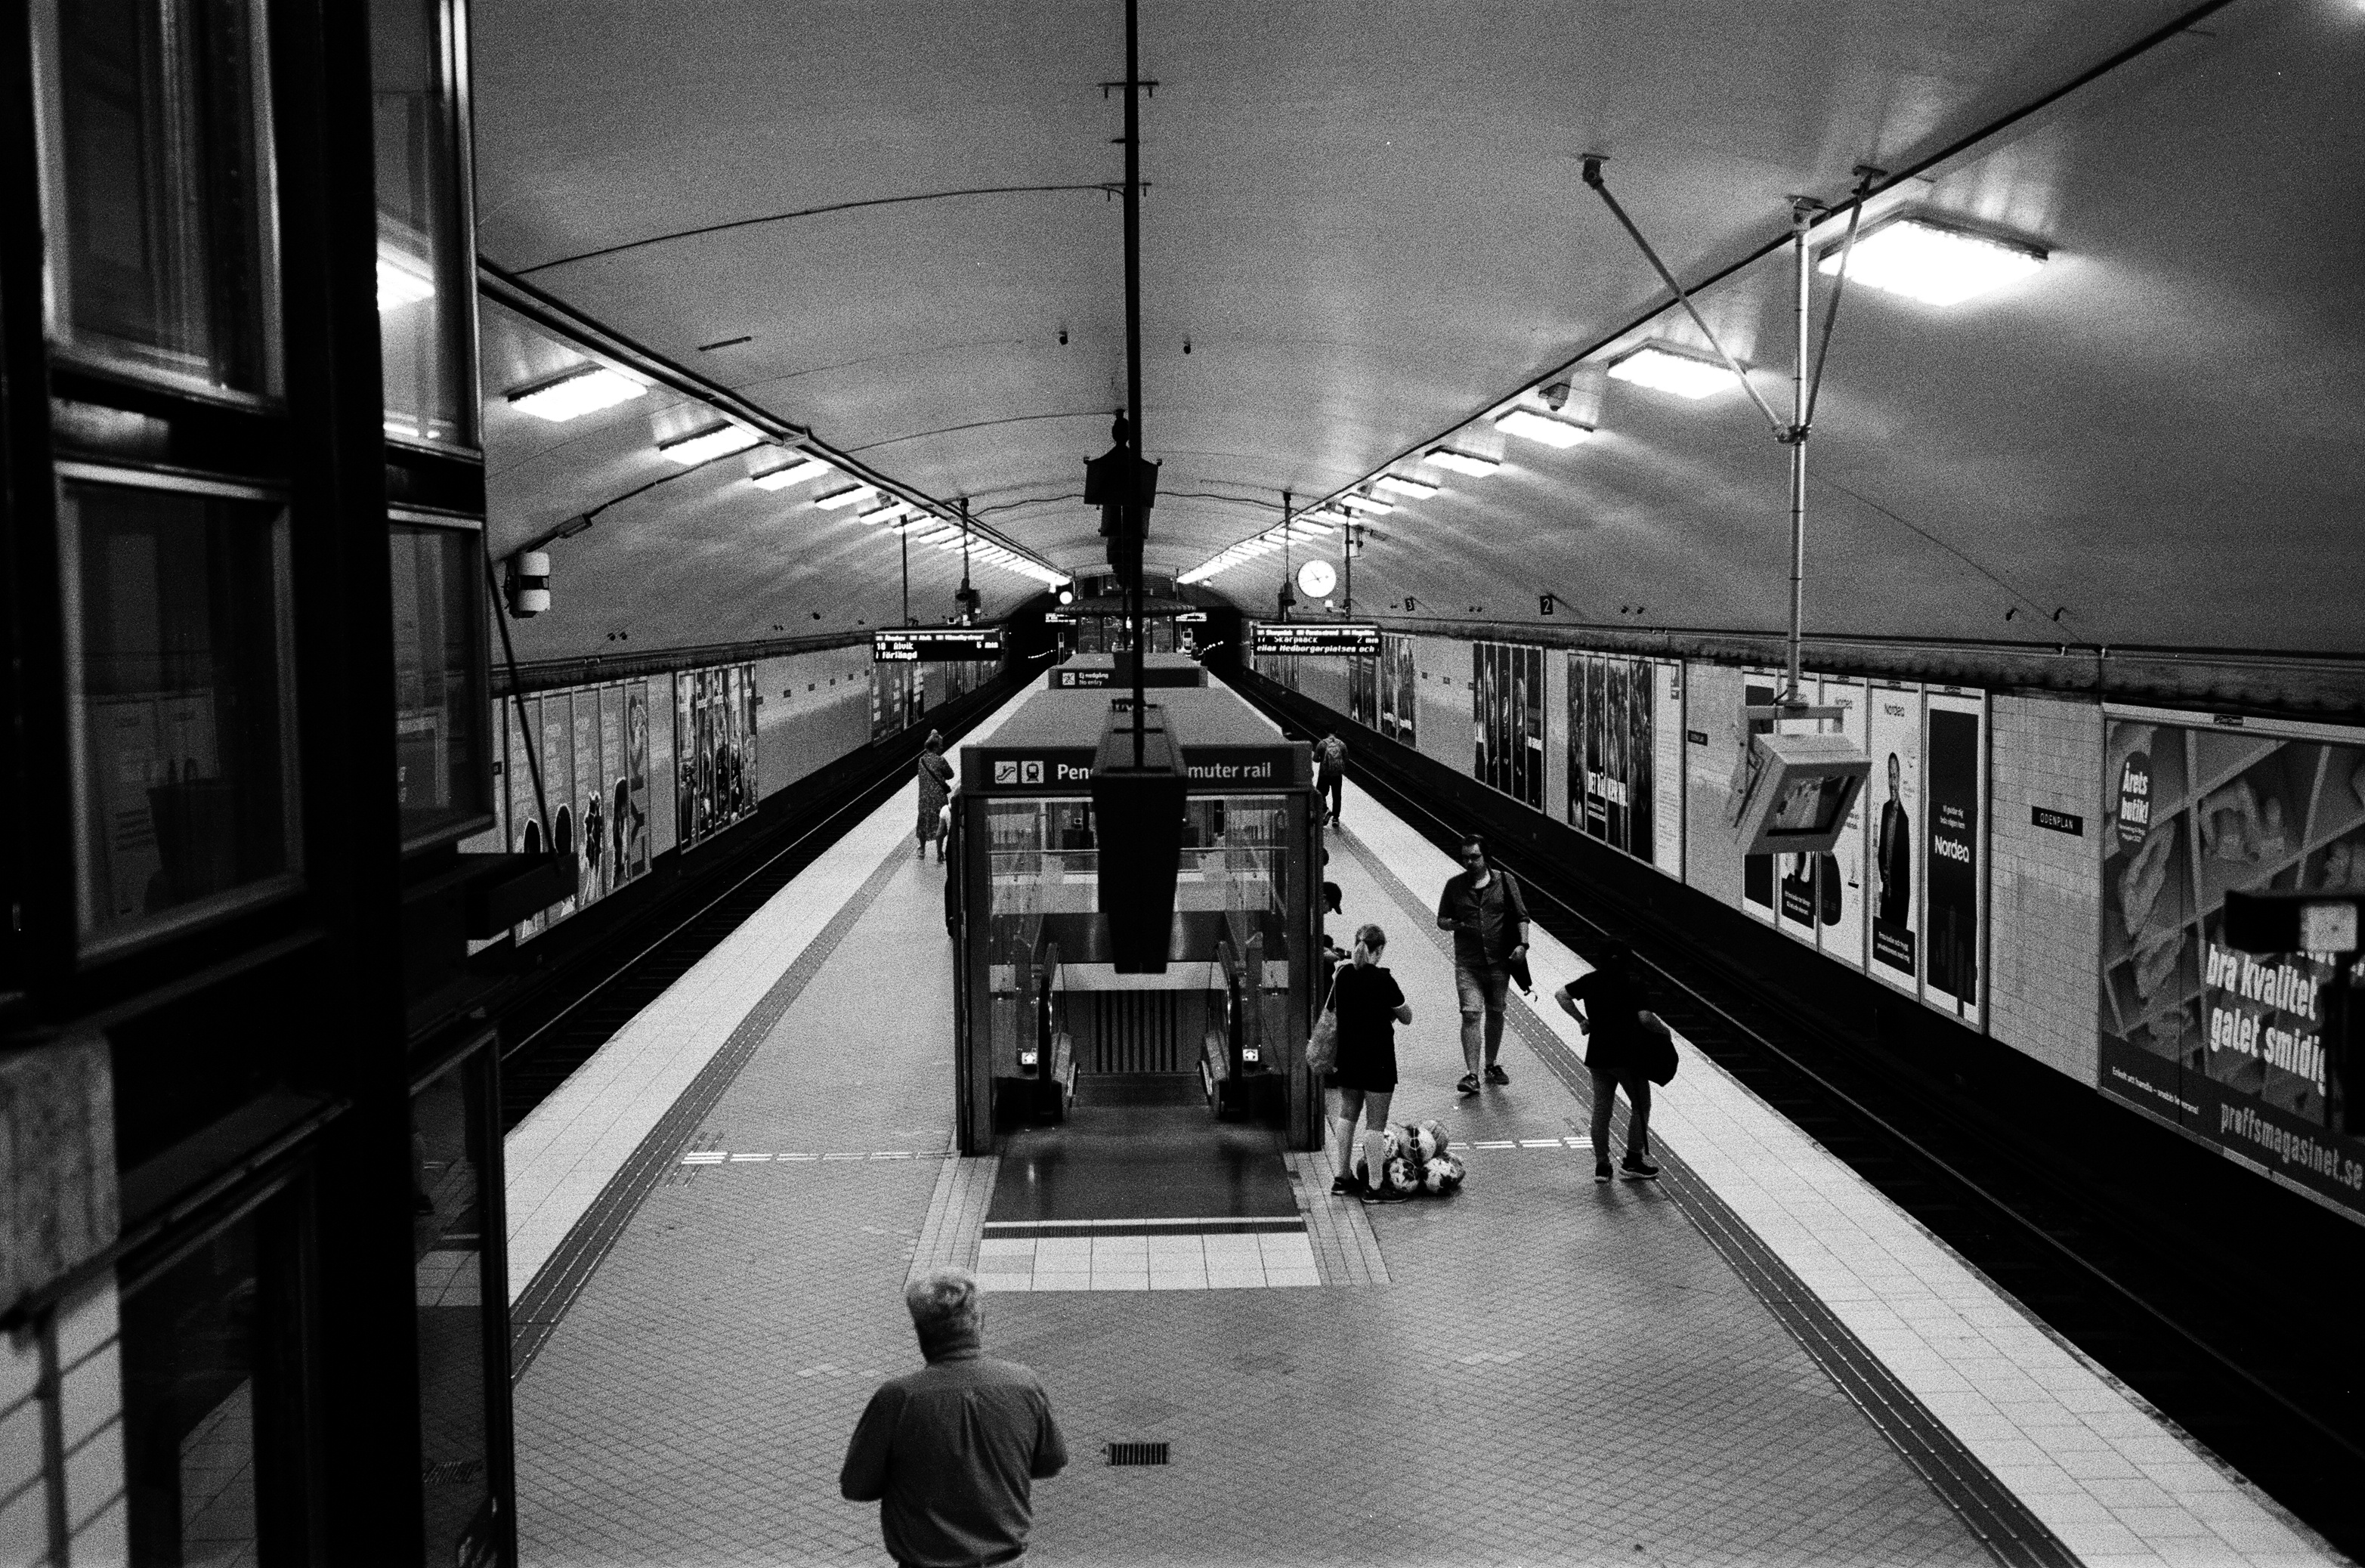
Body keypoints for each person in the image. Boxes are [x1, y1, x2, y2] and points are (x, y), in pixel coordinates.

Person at [841, 1268, 1067, 1568]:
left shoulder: (898, 1398)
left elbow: (856, 1486)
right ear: (980, 1322)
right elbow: (1051, 1462)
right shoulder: (1023, 1385)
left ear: (920, 1330)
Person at [1553, 942, 1659, 1183]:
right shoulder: (1634, 983)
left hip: (1598, 1055)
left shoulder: (1590, 981)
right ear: (1627, 960)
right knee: (1641, 1105)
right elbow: (1645, 1018)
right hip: (1627, 1058)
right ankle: (1632, 1162)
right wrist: (1663, 1032)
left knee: (1602, 1110)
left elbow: (1561, 995)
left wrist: (1582, 1020)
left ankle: (1602, 1166)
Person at [1322, 924, 1413, 1200]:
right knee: (1375, 1123)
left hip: (1348, 1055)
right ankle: (1374, 1186)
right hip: (1377, 1058)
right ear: (1379, 950)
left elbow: (1332, 1009)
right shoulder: (1384, 979)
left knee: (1347, 1114)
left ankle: (1342, 1178)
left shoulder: (1343, 974)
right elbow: (1406, 1016)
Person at [1435, 833, 1529, 1095]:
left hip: (1500, 962)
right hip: (1468, 964)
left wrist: (1523, 945)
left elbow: (1522, 917)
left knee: (1496, 1012)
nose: (1469, 862)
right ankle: (1472, 1074)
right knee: (1471, 1014)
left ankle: (1491, 1064)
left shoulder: (1506, 882)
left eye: (1474, 857)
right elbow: (1441, 919)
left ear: (1486, 857)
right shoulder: (1454, 886)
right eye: (1465, 858)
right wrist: (1450, 924)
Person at [1875, 752, 1911, 926]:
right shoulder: (1885, 810)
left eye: (1895, 776)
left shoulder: (1906, 819)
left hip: (1899, 900)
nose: (1892, 783)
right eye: (1890, 776)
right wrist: (1883, 872)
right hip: (1886, 896)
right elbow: (1882, 850)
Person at [917, 731, 956, 864]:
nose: (942, 748)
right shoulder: (940, 760)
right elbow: (951, 774)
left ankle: (922, 850)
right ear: (934, 747)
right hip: (939, 797)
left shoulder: (921, 761)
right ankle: (939, 852)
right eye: (940, 746)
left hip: (924, 798)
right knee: (941, 825)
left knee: (923, 822)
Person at [1314, 732, 1348, 827]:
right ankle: (1335, 819)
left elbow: (1315, 759)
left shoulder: (1322, 744)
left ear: (1326, 733)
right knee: (1337, 796)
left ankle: (1325, 810)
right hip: (1337, 775)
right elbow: (1346, 759)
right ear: (1336, 732)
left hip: (1324, 774)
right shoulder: (1341, 744)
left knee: (1320, 794)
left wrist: (1323, 760)